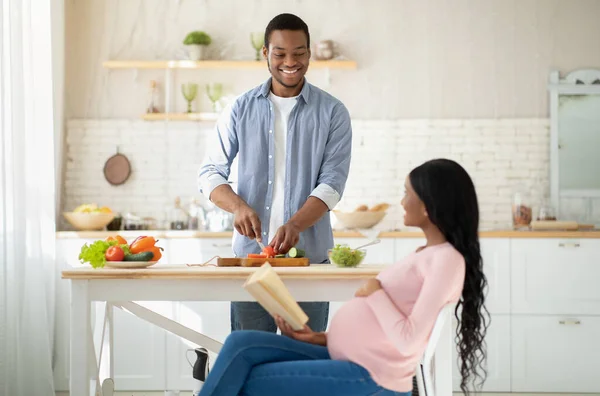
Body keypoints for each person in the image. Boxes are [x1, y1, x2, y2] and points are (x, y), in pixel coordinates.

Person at [198, 159, 489, 396]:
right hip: (347, 356)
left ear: (427, 205)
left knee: (246, 381)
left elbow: (409, 342)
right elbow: (381, 334)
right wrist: (319, 338)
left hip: (372, 376)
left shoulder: (446, 260)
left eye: (407, 194)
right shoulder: (426, 253)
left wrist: (376, 292)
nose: (402, 202)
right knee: (240, 344)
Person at [198, 12, 352, 333]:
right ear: (265, 54)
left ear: (309, 54)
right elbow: (211, 173)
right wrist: (238, 206)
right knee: (251, 358)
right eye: (280, 53)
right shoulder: (239, 108)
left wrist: (296, 224)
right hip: (251, 262)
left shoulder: (333, 112)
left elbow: (332, 184)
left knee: (303, 360)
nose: (290, 62)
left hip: (308, 262)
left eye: (299, 53)